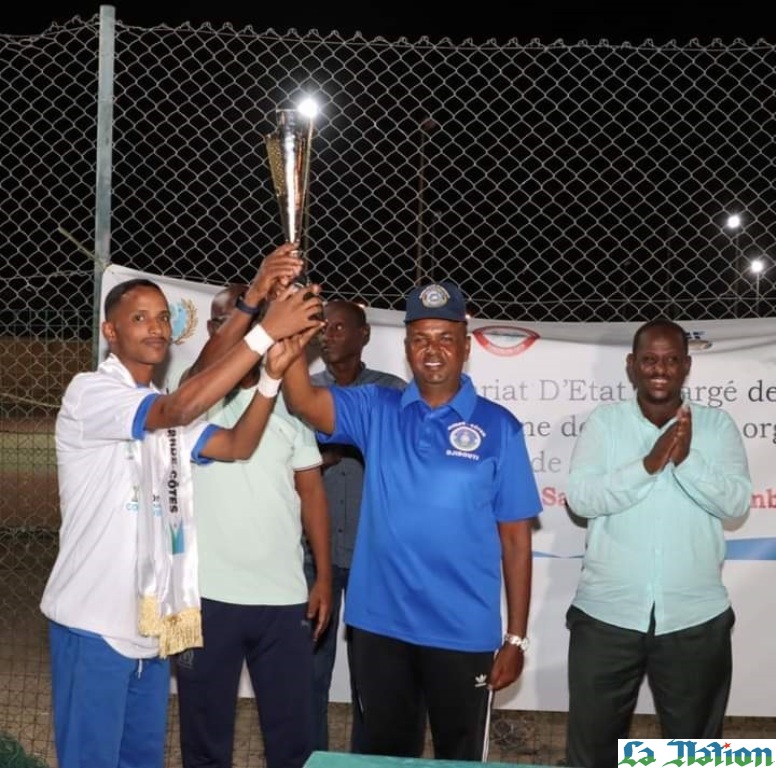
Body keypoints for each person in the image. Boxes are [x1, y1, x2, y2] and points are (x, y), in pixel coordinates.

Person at [40, 248, 323, 768]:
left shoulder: (168, 409)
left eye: (163, 317)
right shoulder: (94, 393)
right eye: (139, 318)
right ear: (109, 331)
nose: (155, 327)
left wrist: (269, 373)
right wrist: (262, 331)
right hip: (93, 621)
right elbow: (179, 405)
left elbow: (237, 444)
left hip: (150, 630)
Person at [283, 281, 542, 761]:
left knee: (458, 758)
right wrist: (294, 338)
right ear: (406, 348)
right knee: (384, 757)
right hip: (381, 628)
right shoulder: (376, 408)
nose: (433, 350)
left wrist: (516, 638)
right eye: (421, 338)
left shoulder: (499, 427)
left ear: (466, 346)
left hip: (463, 632)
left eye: (445, 338)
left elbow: (515, 542)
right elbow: (303, 401)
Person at [564, 317, 752, 768]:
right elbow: (581, 499)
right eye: (649, 359)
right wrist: (648, 464)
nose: (659, 369)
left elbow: (737, 504)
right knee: (592, 755)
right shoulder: (605, 424)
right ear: (632, 366)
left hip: (694, 619)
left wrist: (687, 461)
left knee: (694, 756)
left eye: (671, 360)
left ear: (687, 366)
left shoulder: (717, 426)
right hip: (606, 616)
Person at [174, 259, 332, 768]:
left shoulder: (289, 401)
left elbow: (312, 495)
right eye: (220, 321)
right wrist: (253, 310)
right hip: (207, 597)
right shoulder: (195, 398)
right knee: (205, 735)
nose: (228, 328)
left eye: (237, 318)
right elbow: (204, 371)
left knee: (291, 736)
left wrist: (323, 577)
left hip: (281, 598)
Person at [303, 299, 406, 752]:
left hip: (374, 557)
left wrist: (360, 445)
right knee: (308, 670)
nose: (330, 334)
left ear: (364, 335)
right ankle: (313, 757)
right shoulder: (305, 395)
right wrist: (321, 458)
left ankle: (369, 759)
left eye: (341, 327)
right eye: (323, 327)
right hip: (314, 557)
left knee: (374, 677)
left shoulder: (392, 393)